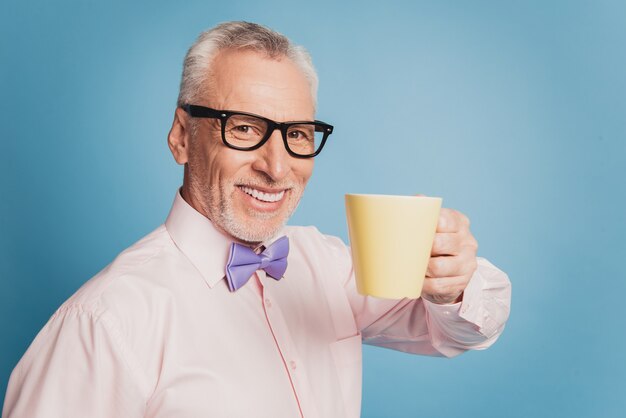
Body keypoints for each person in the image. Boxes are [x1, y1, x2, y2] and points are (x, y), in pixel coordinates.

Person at [2, 21, 511, 418]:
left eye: (298, 134)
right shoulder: (105, 324)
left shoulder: (328, 267)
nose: (276, 166)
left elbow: (457, 333)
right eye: (243, 128)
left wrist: (453, 284)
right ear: (182, 135)